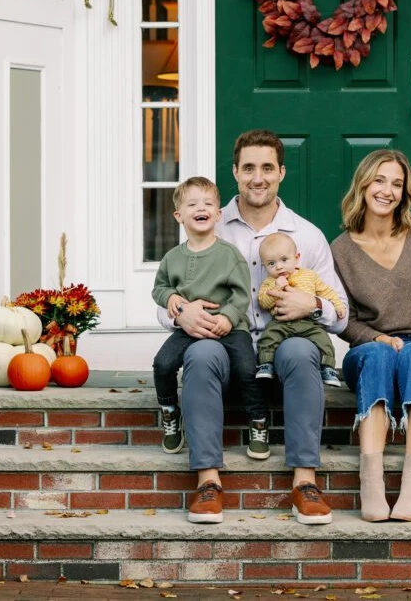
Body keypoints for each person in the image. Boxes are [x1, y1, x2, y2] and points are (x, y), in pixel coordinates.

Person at [156, 129, 348, 526]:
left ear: (281, 172)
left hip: (285, 353)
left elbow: (339, 313)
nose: (257, 177)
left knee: (299, 350)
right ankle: (208, 481)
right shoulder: (209, 221)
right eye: (248, 168)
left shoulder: (306, 235)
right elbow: (170, 288)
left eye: (266, 168)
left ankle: (305, 482)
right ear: (235, 173)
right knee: (201, 351)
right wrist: (180, 312)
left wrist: (311, 305)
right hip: (229, 351)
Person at [331, 149, 411, 523]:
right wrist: (376, 338)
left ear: (405, 193)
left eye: (397, 184)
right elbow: (341, 318)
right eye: (380, 180)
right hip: (367, 349)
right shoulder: (340, 249)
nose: (387, 190)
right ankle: (370, 481)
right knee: (380, 356)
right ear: (364, 185)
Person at [150, 177, 268, 460]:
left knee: (247, 370)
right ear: (179, 215)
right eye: (191, 204)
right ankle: (169, 413)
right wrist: (172, 300)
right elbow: (160, 287)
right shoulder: (172, 258)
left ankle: (258, 422)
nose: (200, 209)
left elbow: (242, 294)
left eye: (208, 204)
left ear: (218, 214)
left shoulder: (229, 255)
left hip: (229, 327)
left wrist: (227, 318)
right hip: (190, 327)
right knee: (162, 363)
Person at [255, 232, 347, 388]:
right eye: (271, 264)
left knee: (323, 340)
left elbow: (326, 291)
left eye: (284, 260)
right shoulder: (270, 282)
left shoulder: (310, 276)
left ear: (296, 258)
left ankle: (328, 368)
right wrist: (276, 287)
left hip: (308, 323)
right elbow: (263, 301)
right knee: (268, 337)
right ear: (264, 266)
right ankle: (266, 363)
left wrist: (338, 305)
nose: (279, 266)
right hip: (281, 323)